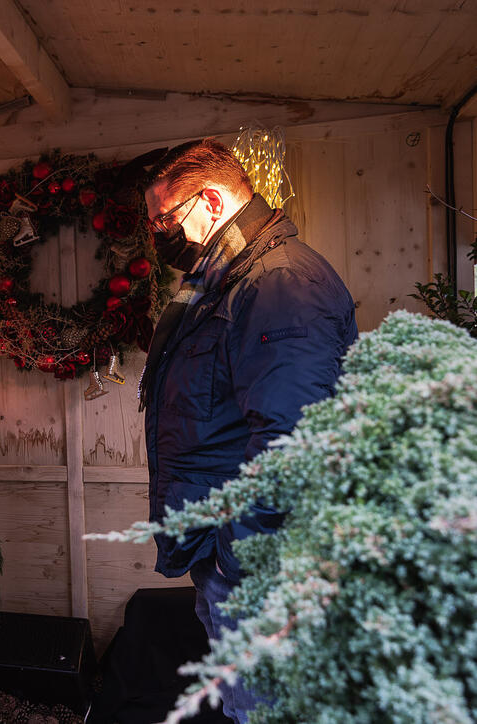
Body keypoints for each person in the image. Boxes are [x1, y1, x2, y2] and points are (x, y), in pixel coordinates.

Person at [138, 139, 357, 723]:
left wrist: (239, 553)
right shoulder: (224, 284)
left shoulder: (278, 284)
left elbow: (298, 440)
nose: (158, 233)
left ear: (210, 200)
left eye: (164, 218)